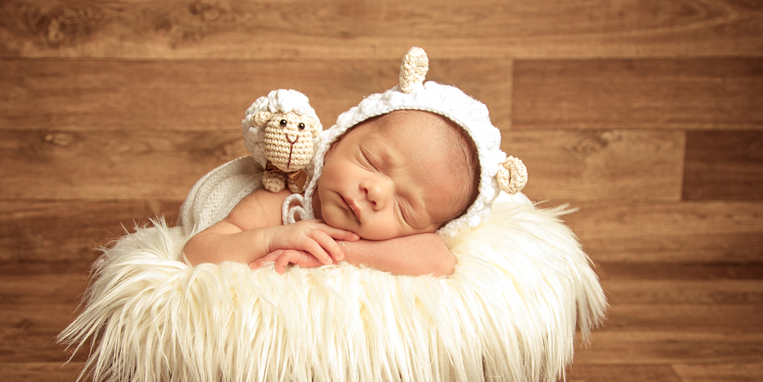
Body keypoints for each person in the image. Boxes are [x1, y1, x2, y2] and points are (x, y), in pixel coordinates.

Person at [180, 47, 528, 277]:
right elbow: (197, 251)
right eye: (372, 162)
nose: (376, 192)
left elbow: (438, 259)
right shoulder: (286, 199)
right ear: (335, 142)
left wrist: (341, 251)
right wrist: (276, 238)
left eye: (405, 209)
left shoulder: (389, 238)